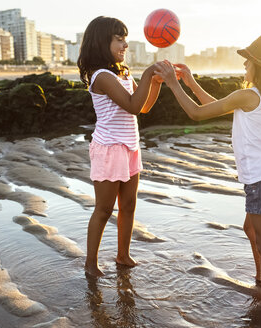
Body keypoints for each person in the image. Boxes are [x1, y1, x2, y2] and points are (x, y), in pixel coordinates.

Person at [154, 33, 261, 309]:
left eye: (248, 62)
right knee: (251, 229)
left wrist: (173, 83)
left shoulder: (248, 95)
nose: (244, 66)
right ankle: (260, 279)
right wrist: (192, 82)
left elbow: (196, 113)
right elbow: (216, 105)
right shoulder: (258, 96)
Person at [77, 16, 162, 277]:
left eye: (125, 38)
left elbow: (143, 107)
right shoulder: (101, 76)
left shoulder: (122, 72)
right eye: (119, 38)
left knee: (129, 206)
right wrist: (148, 72)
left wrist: (154, 84)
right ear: (102, 42)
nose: (125, 44)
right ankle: (90, 263)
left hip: (130, 147)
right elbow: (132, 105)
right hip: (109, 149)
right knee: (104, 209)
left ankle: (123, 255)